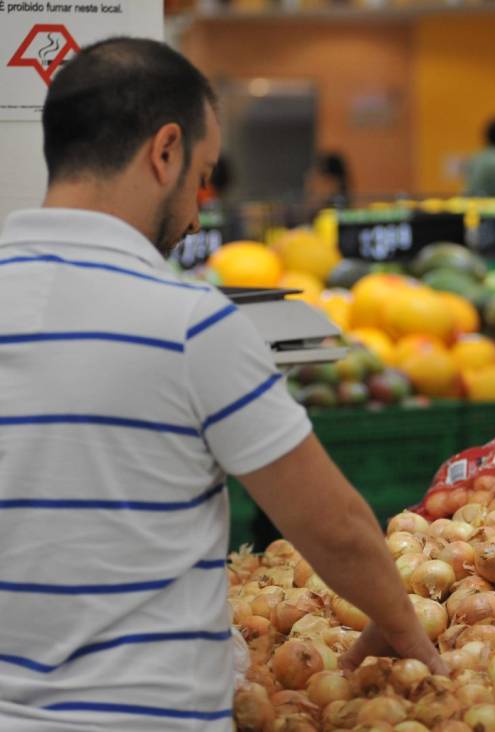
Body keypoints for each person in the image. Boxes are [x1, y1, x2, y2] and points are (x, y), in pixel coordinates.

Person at [0, 37, 442, 730]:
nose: (199, 214)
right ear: (165, 150)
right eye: (202, 177)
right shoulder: (190, 324)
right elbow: (333, 525)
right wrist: (403, 629)